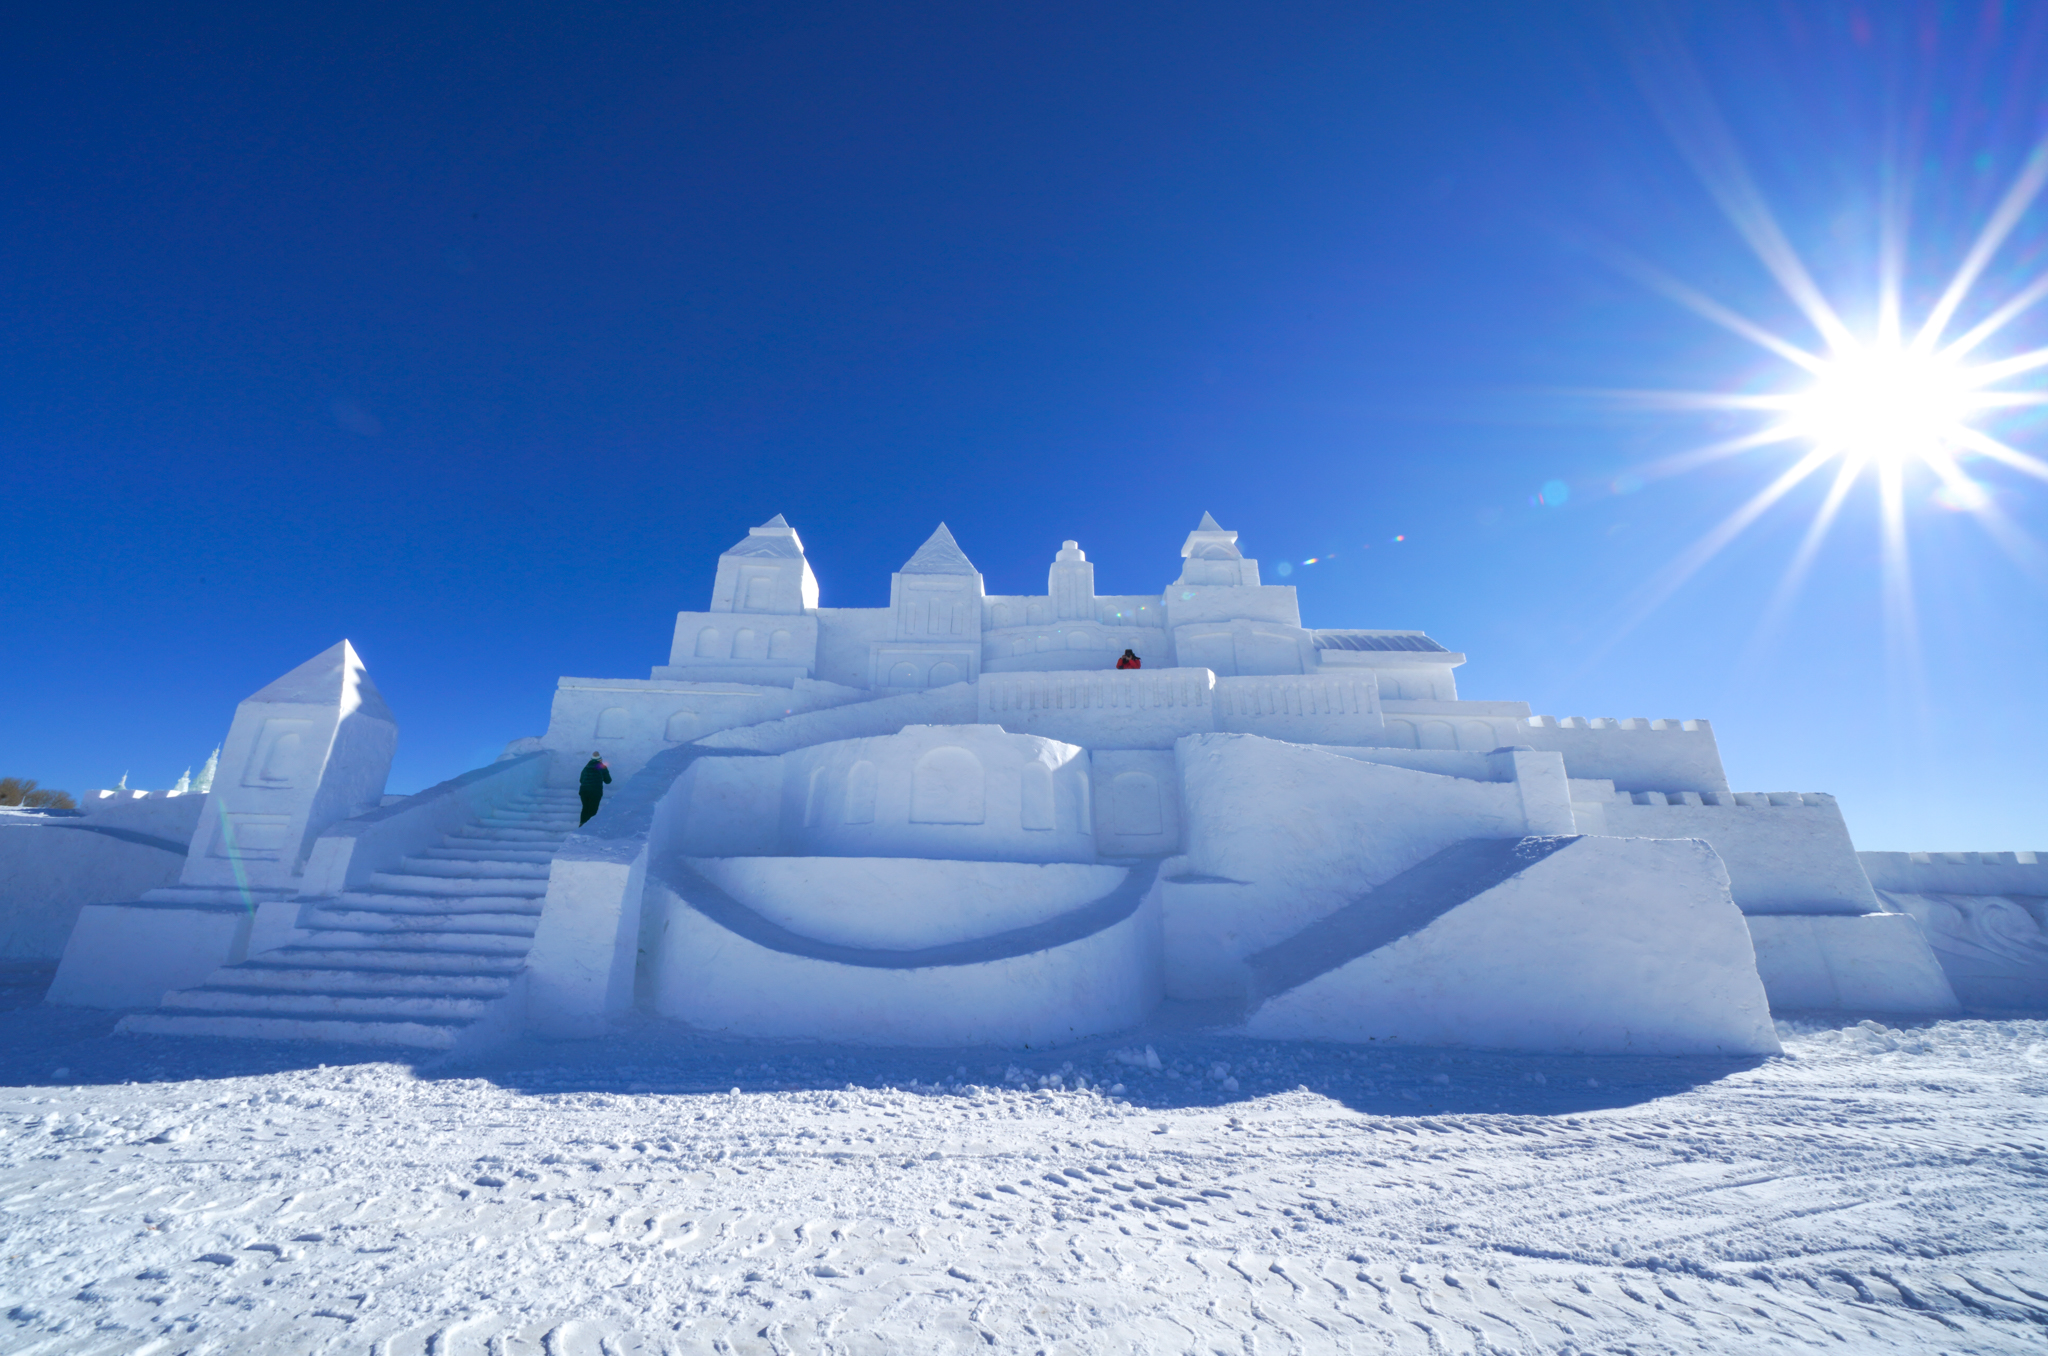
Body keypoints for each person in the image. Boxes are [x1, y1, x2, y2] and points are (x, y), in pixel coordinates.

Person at [578, 751, 612, 825]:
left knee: (585, 808)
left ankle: (582, 824)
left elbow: (581, 780)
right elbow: (608, 781)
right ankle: (589, 827)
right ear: (600, 760)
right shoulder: (602, 766)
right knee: (593, 809)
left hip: (584, 790)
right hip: (595, 791)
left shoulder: (586, 768)